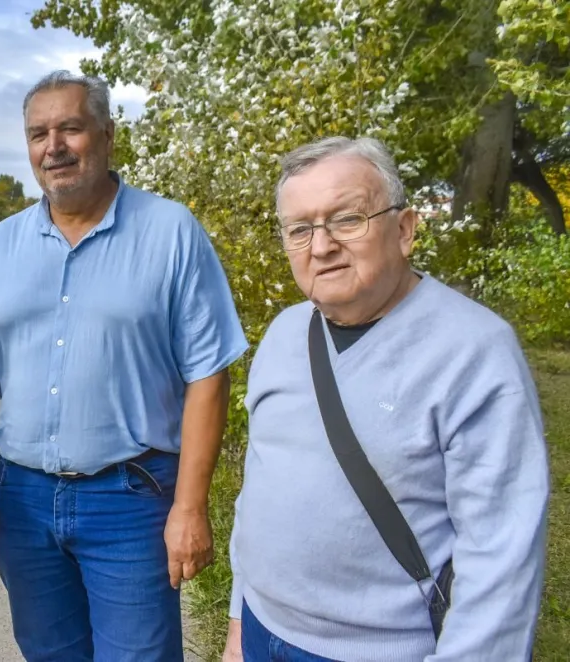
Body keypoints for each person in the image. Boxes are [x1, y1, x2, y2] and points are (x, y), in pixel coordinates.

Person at [0, 69, 248, 661]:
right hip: (24, 503)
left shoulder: (171, 232)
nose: (53, 146)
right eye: (38, 133)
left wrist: (189, 507)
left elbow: (208, 376)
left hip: (131, 500)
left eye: (70, 128)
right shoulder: (2, 245)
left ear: (108, 136)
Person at [223, 136, 550, 662]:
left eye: (347, 219)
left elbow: (502, 559)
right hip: (262, 632)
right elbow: (258, 489)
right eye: (300, 229)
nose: (322, 245)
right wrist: (240, 620)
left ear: (404, 229)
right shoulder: (285, 333)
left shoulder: (474, 351)